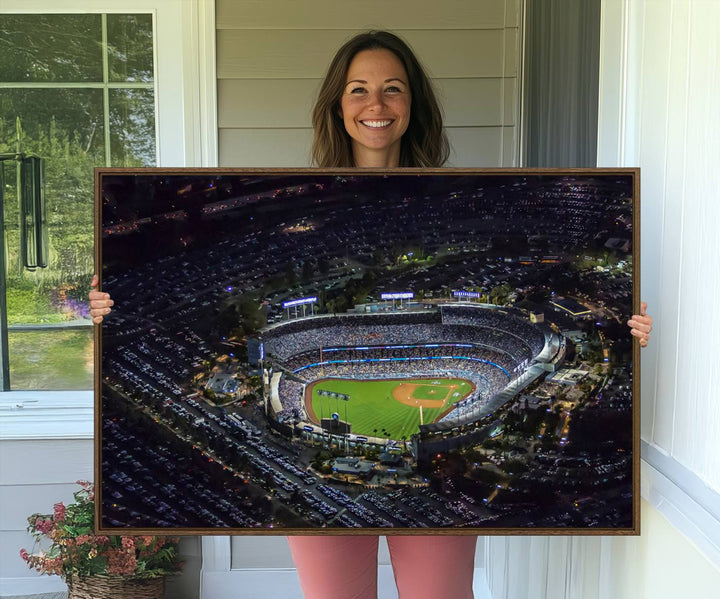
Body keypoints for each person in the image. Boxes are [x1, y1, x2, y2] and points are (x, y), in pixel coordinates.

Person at [90, 30, 653, 599]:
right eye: (359, 90)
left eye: (392, 89)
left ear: (413, 105)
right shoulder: (297, 211)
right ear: (338, 104)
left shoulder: (454, 204)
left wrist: (626, 329)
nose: (376, 105)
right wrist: (111, 304)